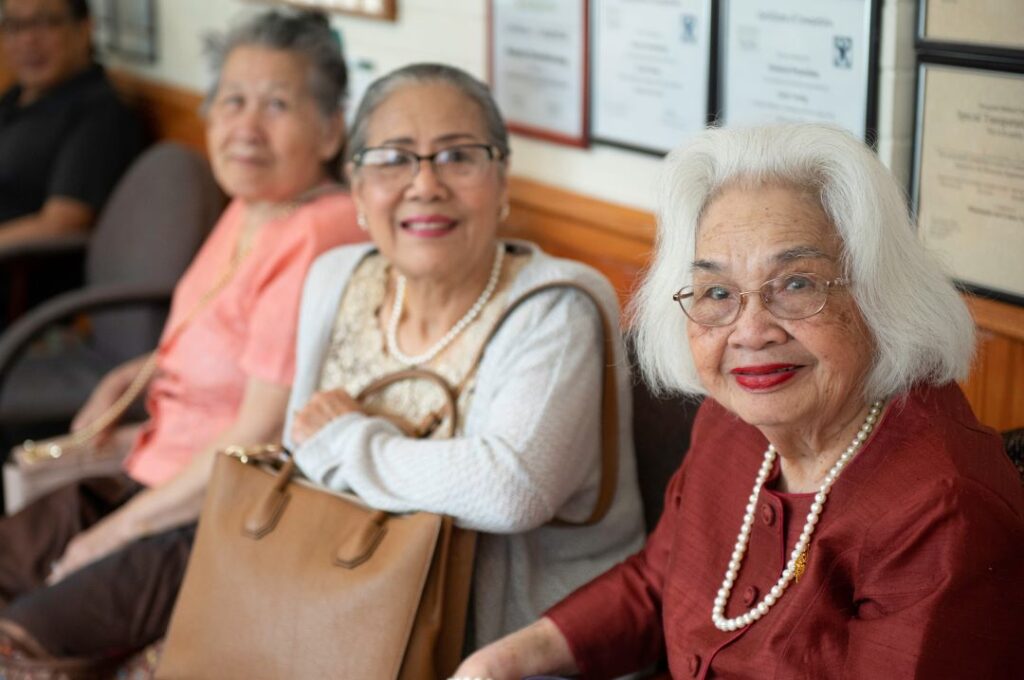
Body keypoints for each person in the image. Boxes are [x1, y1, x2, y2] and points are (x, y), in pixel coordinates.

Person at [454, 124, 1024, 679]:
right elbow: (660, 583)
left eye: (797, 283)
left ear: (879, 293)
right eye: (718, 293)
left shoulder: (942, 510)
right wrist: (502, 661)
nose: (751, 332)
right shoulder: (732, 421)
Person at [0, 9, 364, 665]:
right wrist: (143, 368)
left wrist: (110, 535)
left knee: (17, 644)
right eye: (231, 101)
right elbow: (236, 340)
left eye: (277, 104)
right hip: (150, 471)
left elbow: (255, 435)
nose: (245, 127)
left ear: (331, 128)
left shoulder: (317, 231)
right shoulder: (254, 206)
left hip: (207, 515)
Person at [286, 62, 645, 649]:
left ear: (502, 181)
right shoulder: (335, 277)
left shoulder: (557, 306)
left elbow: (510, 490)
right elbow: (300, 446)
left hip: (515, 641)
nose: (425, 184)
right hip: (352, 606)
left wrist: (351, 440)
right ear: (357, 188)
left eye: (458, 156)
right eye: (395, 158)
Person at [0, 0, 144, 247]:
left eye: (44, 23)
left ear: (85, 29)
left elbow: (61, 224)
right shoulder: (16, 96)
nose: (27, 40)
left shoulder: (99, 113)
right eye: (14, 25)